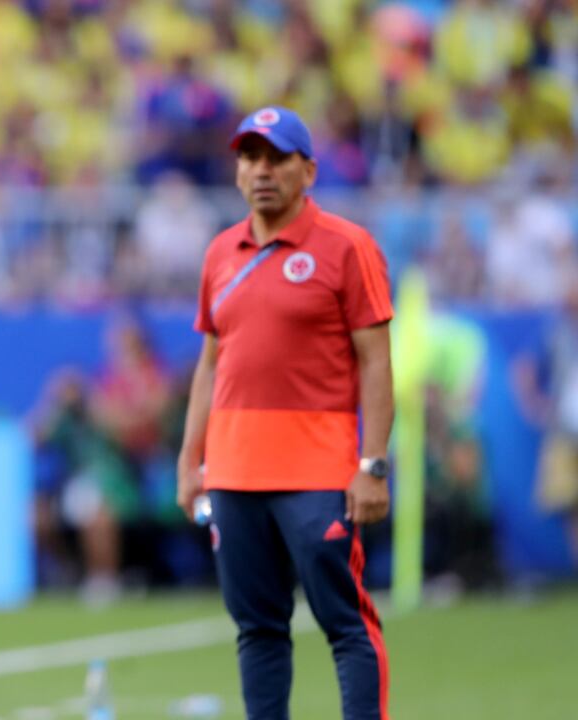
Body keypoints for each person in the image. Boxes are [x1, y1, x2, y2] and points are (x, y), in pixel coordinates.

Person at [177, 107, 394, 720]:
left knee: (345, 623)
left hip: (319, 472)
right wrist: (190, 461)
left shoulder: (348, 247)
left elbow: (376, 363)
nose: (261, 171)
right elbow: (211, 366)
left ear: (310, 171)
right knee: (257, 628)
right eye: (250, 157)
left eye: (276, 158)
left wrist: (372, 465)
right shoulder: (221, 251)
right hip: (235, 472)